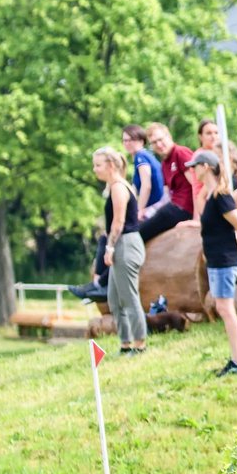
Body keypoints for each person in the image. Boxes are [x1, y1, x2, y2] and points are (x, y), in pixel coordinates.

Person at [68, 124, 166, 302]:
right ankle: (99, 284)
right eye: (125, 140)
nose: (127, 144)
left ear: (141, 140)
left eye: (131, 140)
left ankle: (99, 283)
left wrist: (140, 210)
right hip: (155, 205)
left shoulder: (141, 156)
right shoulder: (146, 156)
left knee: (107, 239)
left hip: (152, 207)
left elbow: (147, 185)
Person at [188, 149, 237, 376]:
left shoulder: (221, 196)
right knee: (223, 308)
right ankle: (236, 359)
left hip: (225, 261)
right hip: (217, 261)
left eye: (195, 166)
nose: (192, 170)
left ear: (206, 167)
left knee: (226, 309)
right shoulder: (211, 195)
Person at [90, 147, 147, 355]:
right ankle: (125, 344)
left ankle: (140, 344)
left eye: (98, 165)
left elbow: (119, 221)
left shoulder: (118, 187)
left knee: (129, 298)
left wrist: (110, 247)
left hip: (126, 244)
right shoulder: (114, 187)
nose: (95, 169)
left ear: (111, 166)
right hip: (121, 244)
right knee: (114, 300)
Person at [138, 123, 195, 241]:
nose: (159, 145)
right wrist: (146, 211)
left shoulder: (180, 153)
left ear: (169, 136)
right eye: (154, 142)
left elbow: (197, 184)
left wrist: (197, 218)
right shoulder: (164, 163)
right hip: (174, 206)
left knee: (139, 233)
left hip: (184, 208)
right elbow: (165, 194)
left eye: (160, 139)